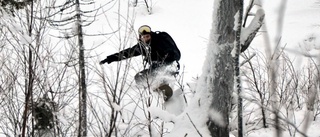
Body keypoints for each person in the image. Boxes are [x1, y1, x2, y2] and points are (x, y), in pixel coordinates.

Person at [99, 25, 181, 95]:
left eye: (147, 36)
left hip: (170, 65)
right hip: (155, 68)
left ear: (151, 35)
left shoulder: (161, 39)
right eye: (143, 37)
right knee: (139, 77)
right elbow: (127, 53)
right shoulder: (143, 47)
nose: (146, 39)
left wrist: (166, 57)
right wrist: (110, 58)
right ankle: (151, 92)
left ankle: (164, 88)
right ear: (140, 38)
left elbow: (176, 54)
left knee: (162, 73)